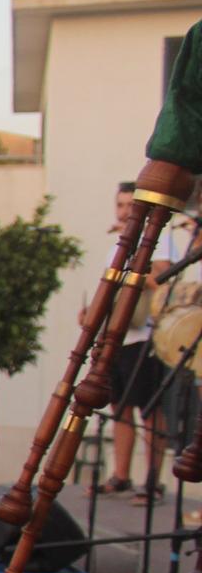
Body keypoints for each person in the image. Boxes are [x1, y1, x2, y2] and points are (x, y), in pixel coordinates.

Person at [92, 181, 184, 503]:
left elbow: (160, 278)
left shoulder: (159, 241)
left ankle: (152, 482)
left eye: (130, 206)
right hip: (120, 337)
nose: (123, 212)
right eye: (119, 206)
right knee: (119, 407)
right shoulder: (118, 243)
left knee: (149, 410)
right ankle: (120, 475)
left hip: (146, 336)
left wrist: (131, 264)